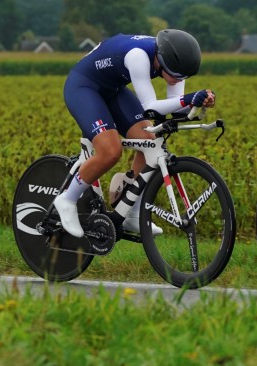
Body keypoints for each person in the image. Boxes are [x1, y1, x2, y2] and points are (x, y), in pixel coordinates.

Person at [53, 29, 216, 238]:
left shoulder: (173, 63)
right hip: (83, 87)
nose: (177, 81)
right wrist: (189, 99)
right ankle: (67, 199)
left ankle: (131, 213)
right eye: (175, 76)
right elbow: (151, 107)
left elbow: (175, 108)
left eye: (183, 77)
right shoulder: (138, 56)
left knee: (148, 139)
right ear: (162, 61)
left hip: (113, 89)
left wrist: (198, 103)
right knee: (111, 151)